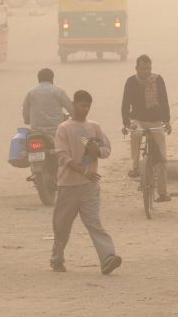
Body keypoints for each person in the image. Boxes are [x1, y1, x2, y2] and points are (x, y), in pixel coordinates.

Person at [51, 90, 121, 275]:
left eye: (88, 106)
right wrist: (83, 171)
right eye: (82, 105)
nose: (85, 109)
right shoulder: (64, 128)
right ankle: (57, 258)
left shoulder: (94, 127)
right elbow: (63, 157)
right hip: (68, 185)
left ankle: (108, 257)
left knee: (94, 223)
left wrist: (96, 151)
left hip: (89, 187)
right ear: (73, 105)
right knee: (62, 226)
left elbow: (106, 149)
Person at [121, 55, 172, 203]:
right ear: (137, 69)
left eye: (149, 68)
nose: (147, 71)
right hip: (137, 119)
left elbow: (164, 100)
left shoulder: (158, 80)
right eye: (143, 68)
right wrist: (126, 123)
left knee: (162, 158)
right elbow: (125, 104)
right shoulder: (131, 82)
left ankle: (163, 193)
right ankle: (136, 166)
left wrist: (167, 120)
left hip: (156, 120)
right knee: (135, 133)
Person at [23, 68, 73, 135]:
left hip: (36, 131)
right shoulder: (58, 92)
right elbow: (70, 107)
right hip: (56, 131)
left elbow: (25, 109)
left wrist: (27, 120)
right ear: (52, 78)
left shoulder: (31, 93)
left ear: (38, 79)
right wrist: (74, 116)